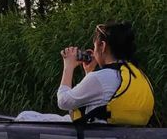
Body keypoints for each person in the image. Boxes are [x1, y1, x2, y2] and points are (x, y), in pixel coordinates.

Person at [16, 21, 154, 124]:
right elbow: (98, 100)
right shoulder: (138, 75)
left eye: (95, 46)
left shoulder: (100, 78)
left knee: (24, 116)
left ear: (103, 46)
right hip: (124, 132)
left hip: (97, 133)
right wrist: (89, 72)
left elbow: (64, 102)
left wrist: (68, 66)